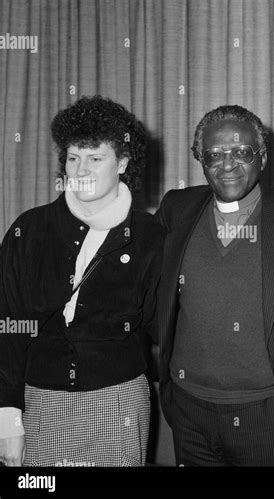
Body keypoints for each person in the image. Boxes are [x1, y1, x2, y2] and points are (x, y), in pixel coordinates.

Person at [155, 105, 274, 466]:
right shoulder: (177, 207)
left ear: (263, 157)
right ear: (201, 162)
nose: (228, 164)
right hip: (188, 409)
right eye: (214, 155)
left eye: (241, 152)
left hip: (267, 413)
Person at [0, 95, 163, 466]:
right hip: (41, 402)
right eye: (73, 158)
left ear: (122, 163)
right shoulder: (31, 229)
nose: (81, 170)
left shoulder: (148, 234)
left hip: (118, 401)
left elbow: (165, 324)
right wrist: (7, 417)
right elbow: (7, 326)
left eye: (95, 158)